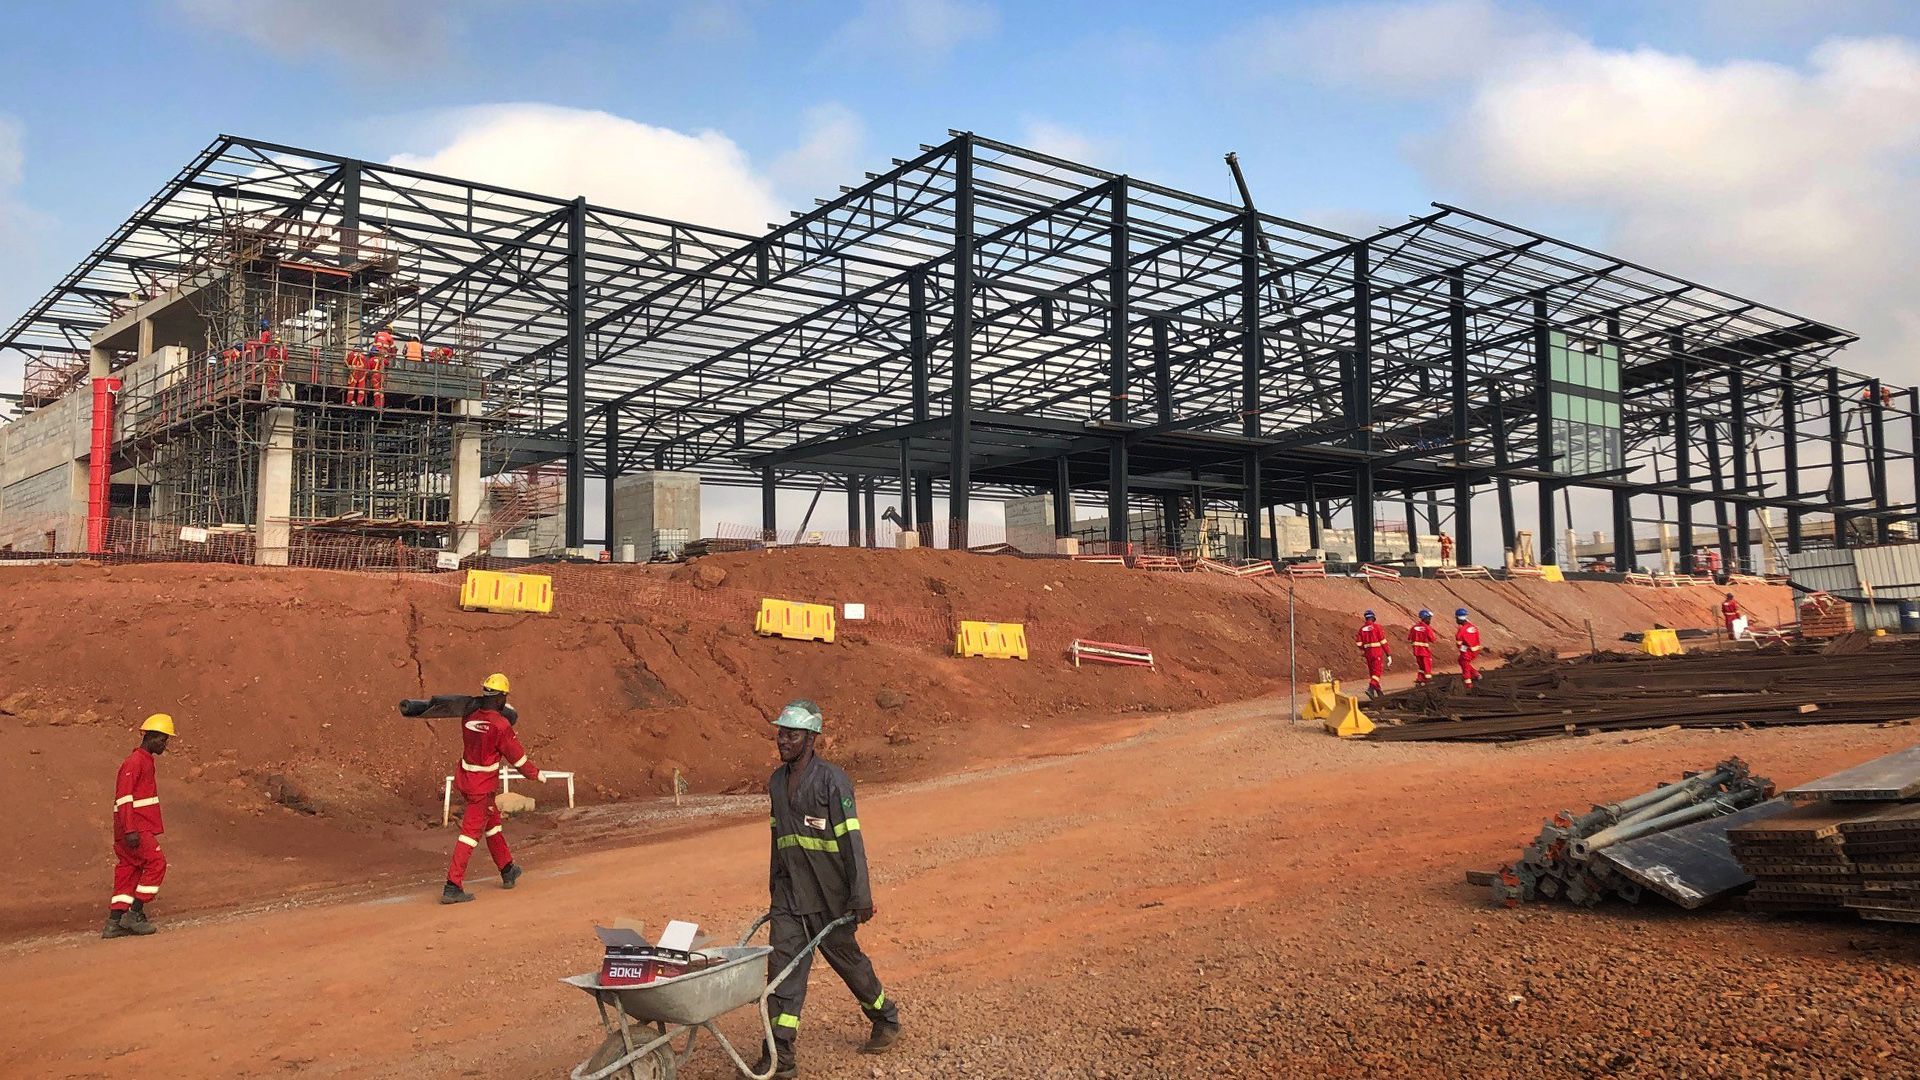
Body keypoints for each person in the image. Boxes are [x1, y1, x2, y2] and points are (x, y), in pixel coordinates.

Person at [760, 700, 899, 1078]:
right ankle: (779, 1054)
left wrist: (861, 895)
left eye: (792, 734)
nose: (783, 740)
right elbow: (778, 840)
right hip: (790, 896)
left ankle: (885, 1017)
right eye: (781, 733)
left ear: (811, 738)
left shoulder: (832, 780)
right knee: (783, 969)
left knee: (847, 961)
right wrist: (775, 886)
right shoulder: (775, 782)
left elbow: (852, 841)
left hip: (831, 895)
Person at [441, 673, 537, 904]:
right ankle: (452, 885)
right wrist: (536, 775)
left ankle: (507, 868)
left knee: (492, 825)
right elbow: (517, 757)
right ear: (501, 697)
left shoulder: (468, 717)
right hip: (481, 788)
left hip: (466, 780)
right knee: (469, 835)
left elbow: (481, 721)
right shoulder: (500, 726)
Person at [105, 714, 175, 938]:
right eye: (162, 740)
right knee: (156, 863)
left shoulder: (143, 761)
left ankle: (114, 922)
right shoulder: (135, 762)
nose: (164, 745)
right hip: (135, 828)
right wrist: (130, 830)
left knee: (129, 870)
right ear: (150, 737)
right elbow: (124, 797)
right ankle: (134, 913)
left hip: (132, 828)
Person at [1355, 610, 1390, 701]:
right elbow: (1383, 641)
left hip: (1368, 654)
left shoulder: (1361, 629)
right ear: (1373, 618)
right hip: (1377, 652)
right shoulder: (1377, 627)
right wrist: (1388, 654)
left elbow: (1358, 643)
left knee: (1372, 673)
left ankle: (1379, 692)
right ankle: (1370, 689)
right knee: (1377, 672)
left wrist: (1365, 648)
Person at [1407, 609, 1439, 686]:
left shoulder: (1414, 627)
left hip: (1416, 652)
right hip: (1424, 652)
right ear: (1425, 618)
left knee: (1421, 667)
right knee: (1427, 667)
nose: (1430, 620)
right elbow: (1433, 639)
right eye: (1429, 618)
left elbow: (1409, 638)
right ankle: (1428, 681)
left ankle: (1420, 679)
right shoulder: (1427, 628)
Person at [1455, 607, 1482, 690]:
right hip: (1476, 649)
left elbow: (1459, 644)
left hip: (1468, 651)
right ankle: (1476, 674)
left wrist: (1463, 650)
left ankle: (1468, 685)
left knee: (1465, 666)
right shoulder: (1473, 627)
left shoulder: (1461, 630)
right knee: (1461, 661)